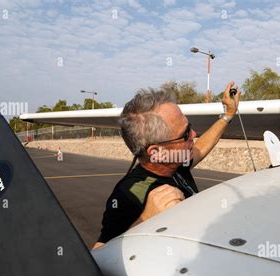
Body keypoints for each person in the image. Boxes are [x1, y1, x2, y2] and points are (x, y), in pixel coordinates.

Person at [92, 82, 241, 249]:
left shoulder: (175, 161)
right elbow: (98, 255)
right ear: (157, 152)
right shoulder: (127, 195)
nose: (194, 134)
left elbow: (200, 148)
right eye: (185, 133)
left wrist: (228, 114)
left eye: (189, 127)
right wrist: (144, 219)